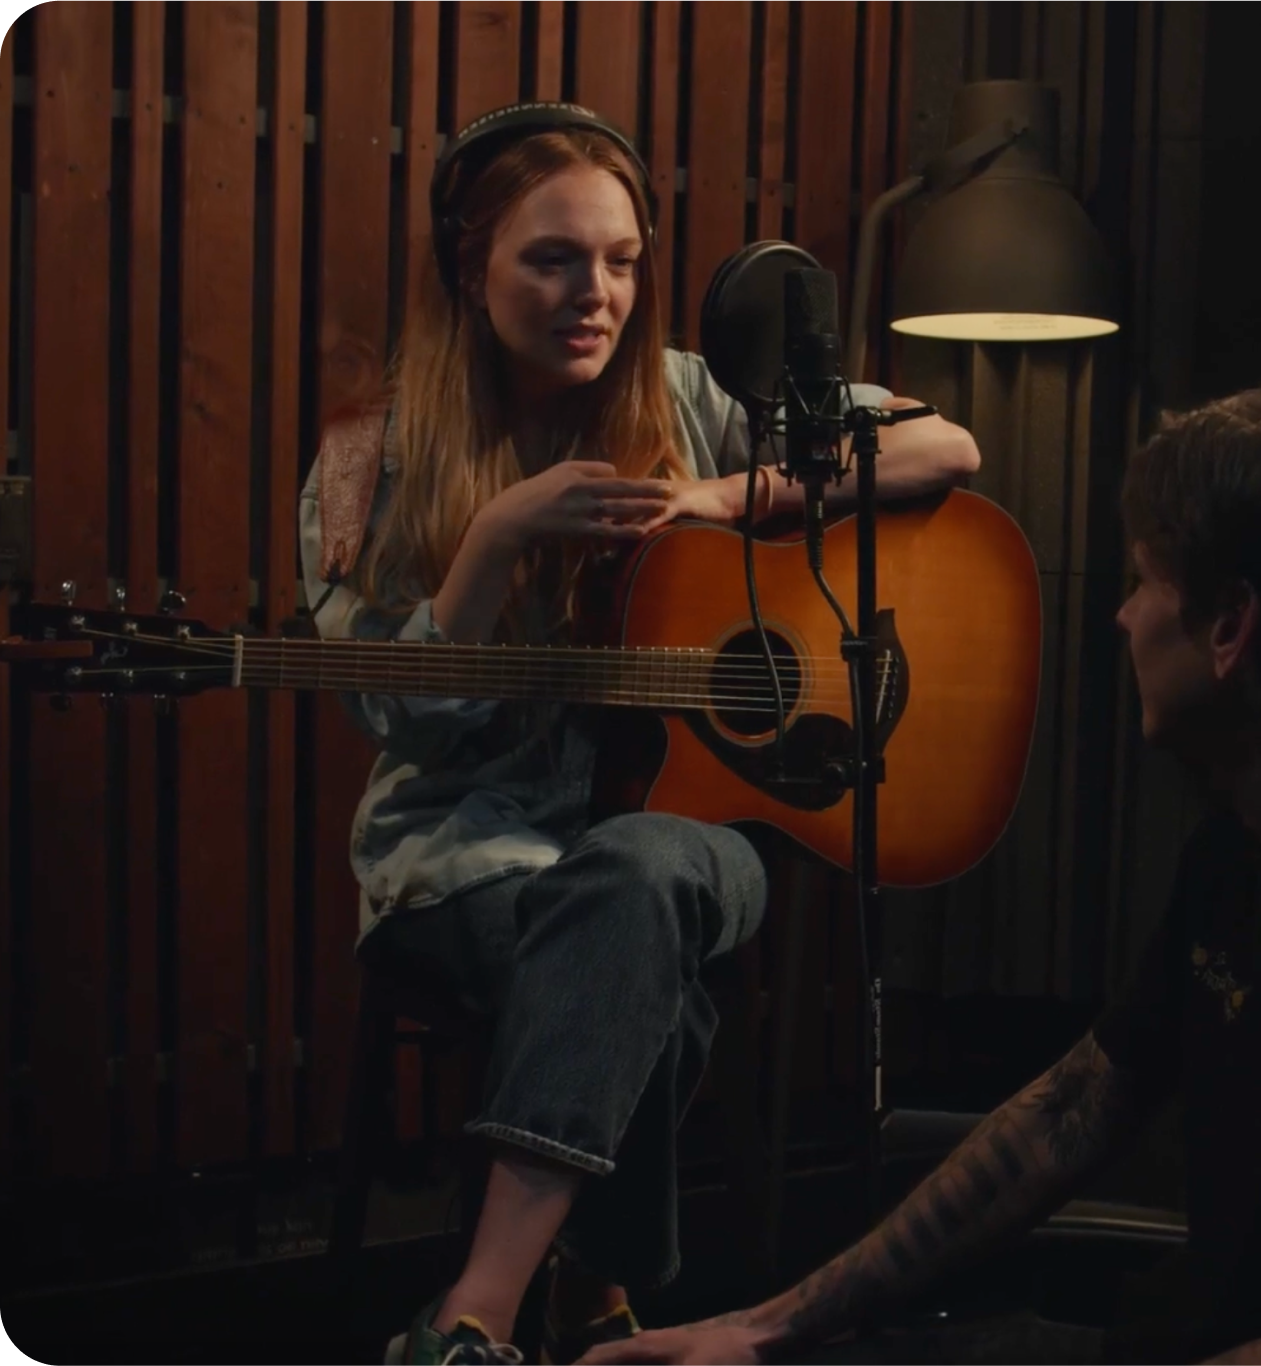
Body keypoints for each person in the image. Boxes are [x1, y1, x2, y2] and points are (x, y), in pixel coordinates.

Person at [580, 381, 1261, 1366]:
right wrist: (765, 1331)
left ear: (1229, 627)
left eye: (1141, 580)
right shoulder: (1252, 836)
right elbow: (1071, 1113)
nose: (1121, 617)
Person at [296, 102, 980, 1366]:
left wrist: (730, 492)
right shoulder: (369, 455)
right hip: (463, 859)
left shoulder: (690, 398)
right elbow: (391, 717)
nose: (594, 293)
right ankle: (579, 1296)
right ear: (470, 264)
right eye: (552, 258)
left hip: (687, 838)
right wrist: (496, 534)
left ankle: (470, 1315)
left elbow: (946, 443)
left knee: (646, 869)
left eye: (619, 261)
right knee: (636, 965)